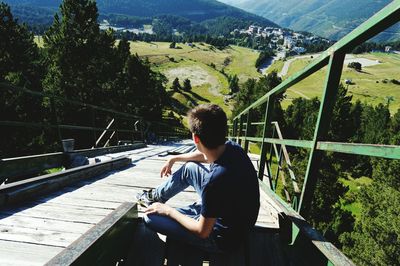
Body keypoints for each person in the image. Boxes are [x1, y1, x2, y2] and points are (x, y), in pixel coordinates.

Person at [136, 103, 260, 253]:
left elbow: (203, 232)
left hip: (221, 239)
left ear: (195, 138)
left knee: (150, 217)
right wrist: (175, 159)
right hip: (237, 216)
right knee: (190, 167)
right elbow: (204, 155)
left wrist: (168, 211)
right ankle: (155, 197)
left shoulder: (214, 182)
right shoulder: (233, 148)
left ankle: (174, 209)